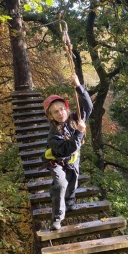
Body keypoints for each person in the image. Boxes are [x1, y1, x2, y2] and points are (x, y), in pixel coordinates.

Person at [43, 74, 93, 230]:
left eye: (62, 109)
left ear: (66, 108)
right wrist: (79, 132)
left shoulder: (74, 119)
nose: (60, 113)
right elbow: (67, 149)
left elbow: (88, 107)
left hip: (72, 160)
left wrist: (78, 86)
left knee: (72, 183)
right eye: (55, 112)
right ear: (51, 116)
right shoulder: (53, 135)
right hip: (57, 161)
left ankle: (70, 201)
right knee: (60, 184)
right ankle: (57, 218)